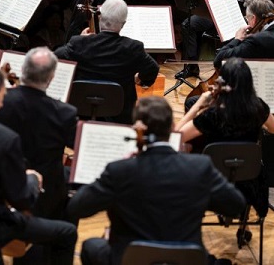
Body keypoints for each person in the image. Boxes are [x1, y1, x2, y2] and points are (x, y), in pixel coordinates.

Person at [65, 95, 246, 265]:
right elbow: (236, 205)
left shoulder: (120, 170)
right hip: (186, 258)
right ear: (172, 127)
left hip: (131, 258)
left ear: (137, 130)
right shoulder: (200, 167)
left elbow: (76, 207)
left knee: (90, 247)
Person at [0, 62, 77, 265]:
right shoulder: (3, 138)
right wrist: (31, 178)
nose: (3, 103)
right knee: (67, 232)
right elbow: (21, 199)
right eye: (3, 95)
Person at [176, 57, 274, 243]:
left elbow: (177, 135)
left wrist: (198, 105)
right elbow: (273, 128)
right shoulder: (258, 107)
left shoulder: (213, 114)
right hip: (250, 180)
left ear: (223, 82)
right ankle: (243, 226)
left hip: (214, 178)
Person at [0, 46, 78, 220]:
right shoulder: (65, 113)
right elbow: (76, 146)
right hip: (46, 193)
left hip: (3, 184)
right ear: (51, 78)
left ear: (23, 70)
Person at [55, 0, 159, 124]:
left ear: (99, 18)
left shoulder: (78, 43)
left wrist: (81, 40)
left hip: (82, 114)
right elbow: (152, 69)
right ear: (123, 24)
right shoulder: (132, 48)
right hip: (119, 117)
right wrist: (139, 79)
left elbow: (54, 58)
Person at [214, 0, 274, 69]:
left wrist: (237, 39)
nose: (247, 21)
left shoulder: (256, 41)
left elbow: (219, 60)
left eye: (247, 18)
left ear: (253, 19)